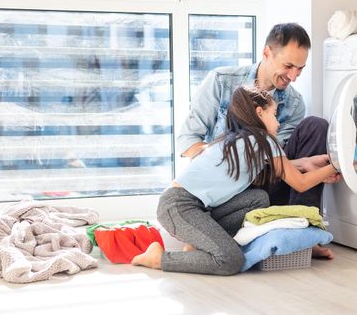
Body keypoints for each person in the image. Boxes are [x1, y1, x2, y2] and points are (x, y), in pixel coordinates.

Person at [132, 86, 337, 275]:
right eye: (274, 115)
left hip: (190, 205)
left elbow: (280, 166)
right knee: (231, 261)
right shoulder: (264, 140)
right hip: (179, 206)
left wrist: (307, 162)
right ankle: (159, 258)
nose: (278, 122)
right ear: (259, 113)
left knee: (258, 198)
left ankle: (199, 244)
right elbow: (300, 183)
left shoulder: (241, 139)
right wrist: (337, 164)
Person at [178, 23, 341, 258]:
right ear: (267, 53)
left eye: (300, 69)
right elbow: (187, 141)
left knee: (315, 126)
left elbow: (273, 162)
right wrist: (223, 159)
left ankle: (303, 233)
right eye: (288, 65)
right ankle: (229, 231)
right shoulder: (221, 81)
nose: (294, 76)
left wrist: (304, 163)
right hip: (227, 189)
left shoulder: (294, 103)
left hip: (265, 180)